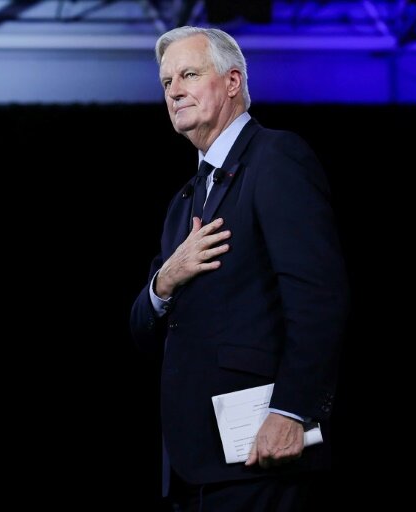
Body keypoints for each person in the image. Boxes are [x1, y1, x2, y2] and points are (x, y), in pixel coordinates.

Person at [130, 26, 349, 511]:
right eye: (167, 82)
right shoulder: (183, 202)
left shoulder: (275, 158)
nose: (175, 91)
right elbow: (142, 331)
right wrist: (165, 280)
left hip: (262, 450)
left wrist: (293, 410)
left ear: (232, 82)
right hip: (192, 466)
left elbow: (318, 298)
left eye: (189, 74)